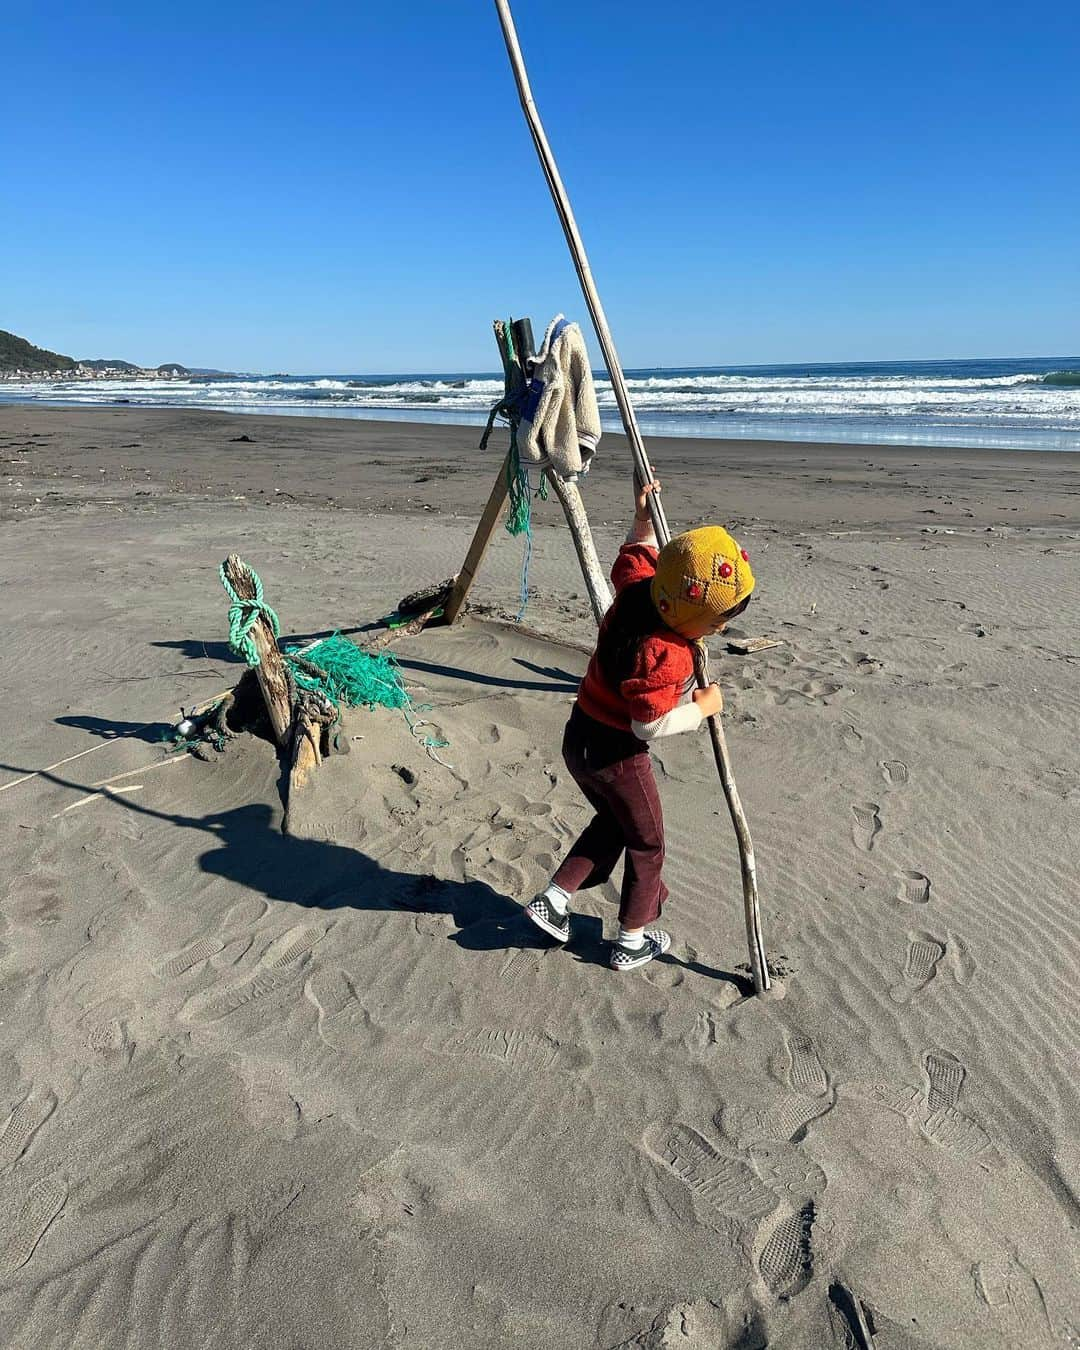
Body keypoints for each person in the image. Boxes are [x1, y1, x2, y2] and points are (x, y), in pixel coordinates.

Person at [525, 478, 755, 971]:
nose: (717, 633)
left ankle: (555, 899)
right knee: (647, 842)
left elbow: (636, 550)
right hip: (617, 756)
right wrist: (702, 709)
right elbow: (647, 725)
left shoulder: (640, 589)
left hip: (578, 737)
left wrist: (644, 518)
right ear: (684, 615)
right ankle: (632, 938)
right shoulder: (664, 653)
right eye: (714, 625)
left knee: (615, 823)